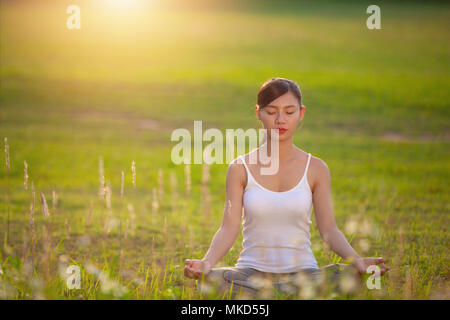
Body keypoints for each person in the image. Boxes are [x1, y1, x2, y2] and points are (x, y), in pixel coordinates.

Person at [184, 77, 389, 298]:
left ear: (301, 114)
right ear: (258, 113)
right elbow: (229, 227)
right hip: (250, 275)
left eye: (289, 112)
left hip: (304, 275)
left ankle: (275, 295)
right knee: (212, 282)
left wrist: (357, 261)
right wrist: (206, 263)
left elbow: (329, 229)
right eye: (271, 112)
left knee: (352, 277)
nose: (280, 120)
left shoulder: (316, 168)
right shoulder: (239, 168)